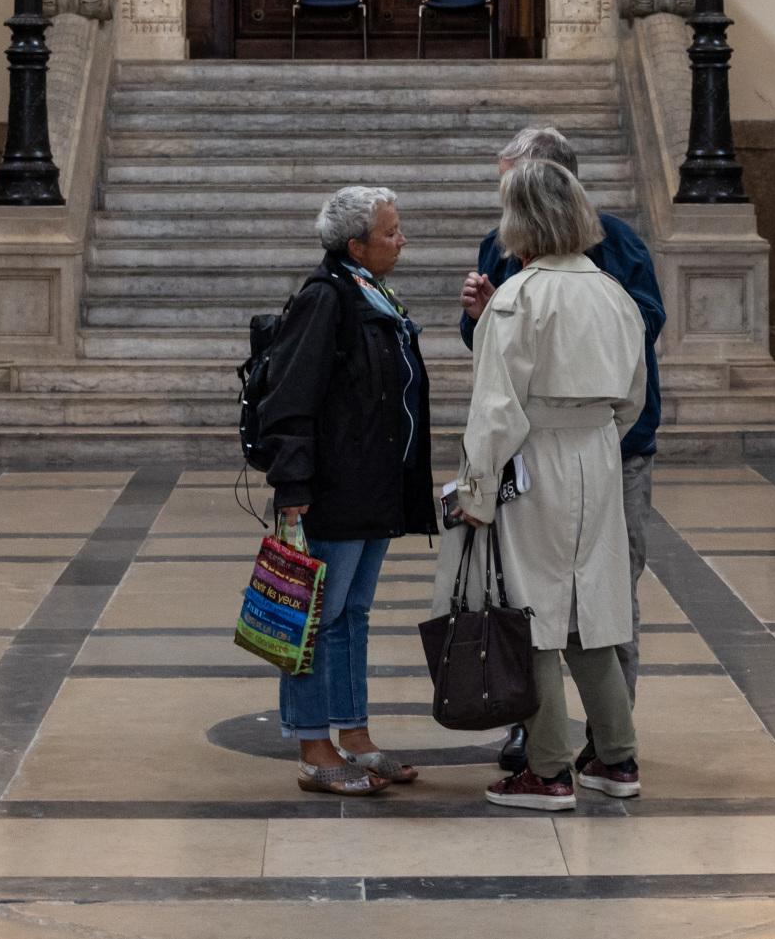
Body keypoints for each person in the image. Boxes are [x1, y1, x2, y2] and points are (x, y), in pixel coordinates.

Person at [460, 122, 664, 771]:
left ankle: (546, 767)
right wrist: (599, 436)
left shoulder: (518, 298)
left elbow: (494, 411)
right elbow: (633, 393)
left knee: (533, 612)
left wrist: (475, 491)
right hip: (601, 453)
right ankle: (617, 757)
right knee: (597, 612)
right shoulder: (612, 296)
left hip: (535, 458)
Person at [252, 184, 437, 798]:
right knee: (316, 619)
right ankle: (313, 745)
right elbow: (290, 397)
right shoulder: (326, 298)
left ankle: (355, 734)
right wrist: (294, 484)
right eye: (390, 231)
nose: (401, 238)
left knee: (351, 614)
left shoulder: (372, 292)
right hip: (332, 489)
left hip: (373, 486)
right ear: (355, 244)